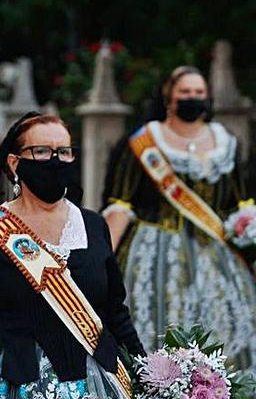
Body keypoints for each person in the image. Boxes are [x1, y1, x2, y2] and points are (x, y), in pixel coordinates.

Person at [0, 112, 144, 399]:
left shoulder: (92, 226)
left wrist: (146, 373)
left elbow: (114, 312)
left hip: (94, 385)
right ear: (15, 163)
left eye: (63, 152)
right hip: (8, 383)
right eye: (41, 152)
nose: (54, 160)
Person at [103, 66, 256, 369]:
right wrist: (100, 260)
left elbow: (241, 201)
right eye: (185, 92)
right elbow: (120, 203)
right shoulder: (144, 142)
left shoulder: (225, 142)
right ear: (169, 97)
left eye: (199, 93)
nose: (192, 98)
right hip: (154, 251)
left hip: (217, 255)